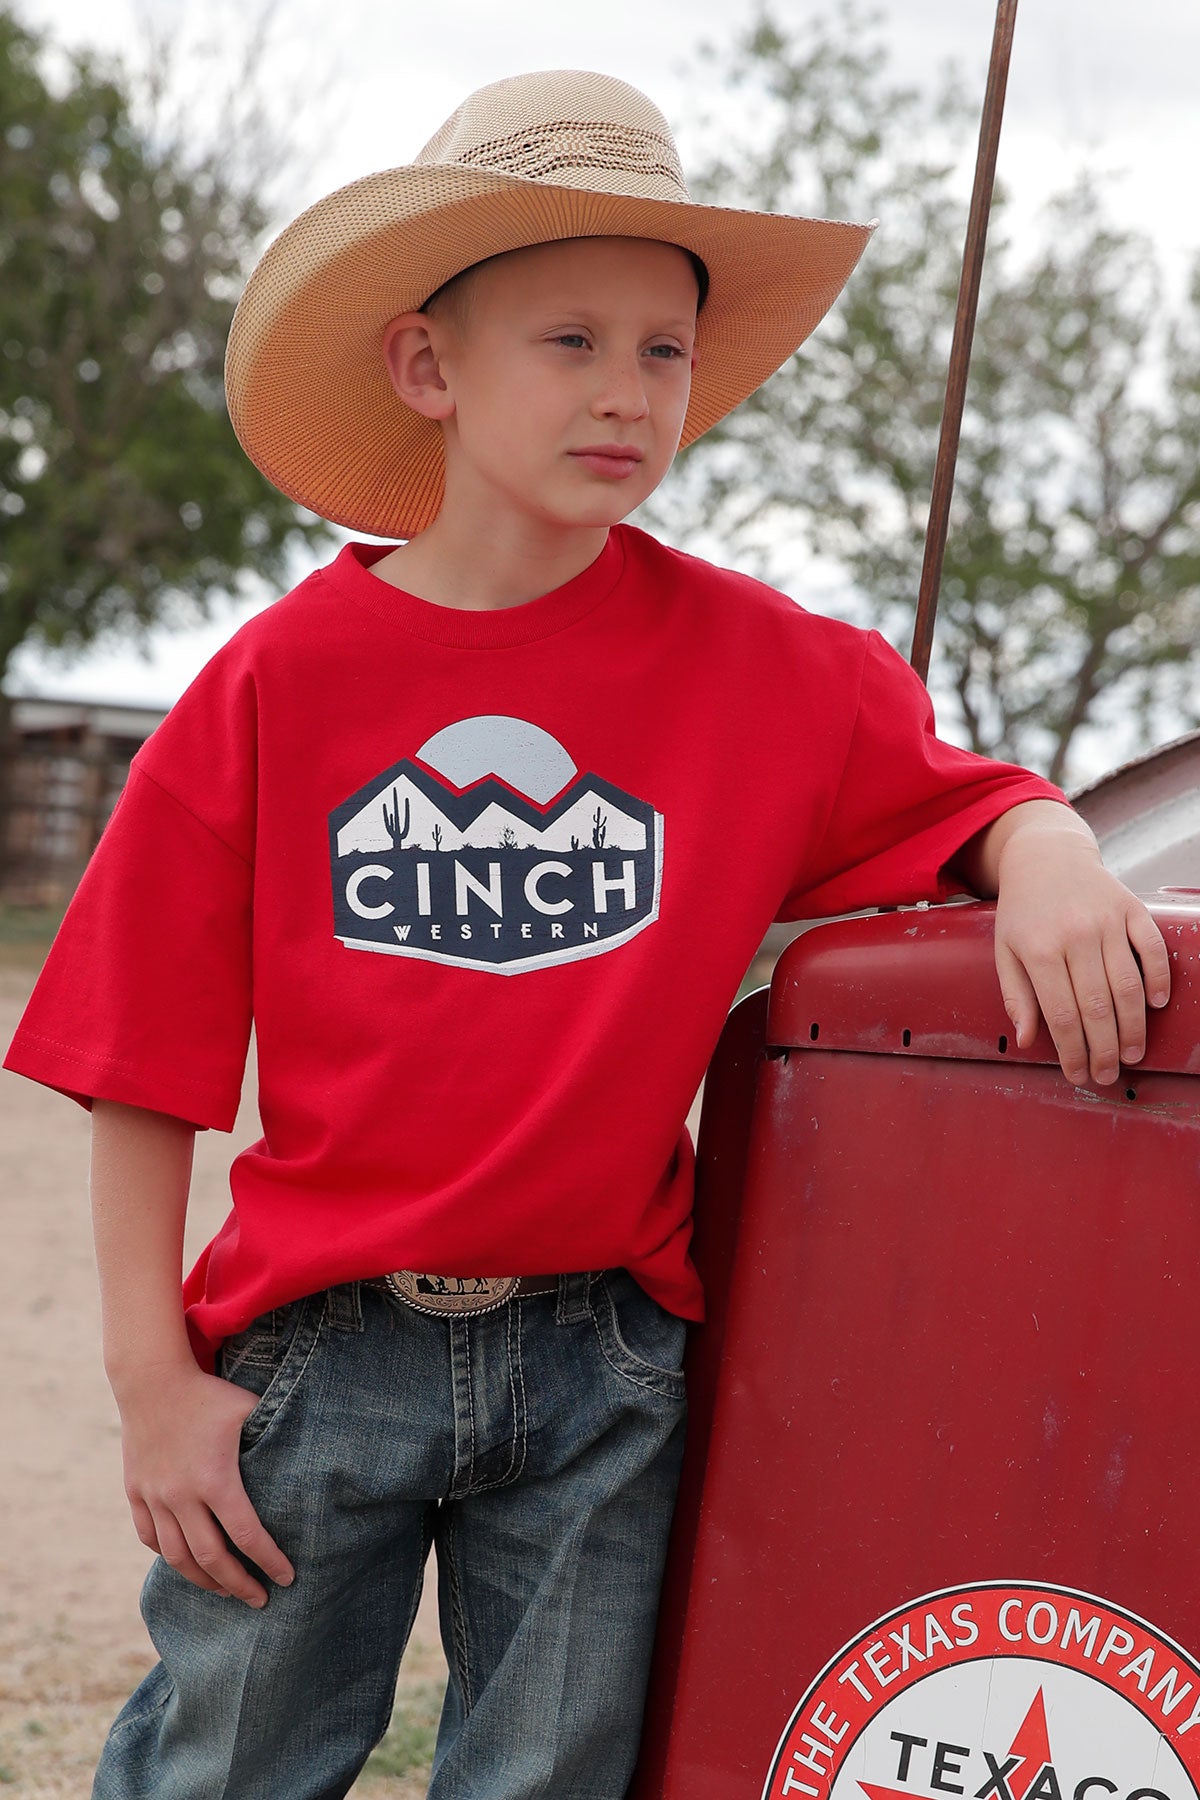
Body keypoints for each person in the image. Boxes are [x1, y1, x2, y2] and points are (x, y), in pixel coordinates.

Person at [3, 68, 1170, 1800]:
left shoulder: (768, 672)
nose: (626, 393)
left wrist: (1054, 842)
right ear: (429, 367)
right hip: (321, 1351)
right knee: (223, 1768)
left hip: (605, 1354)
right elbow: (134, 1062)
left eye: (660, 352)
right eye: (569, 341)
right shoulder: (277, 685)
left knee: (551, 1777)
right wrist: (151, 1383)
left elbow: (962, 795)